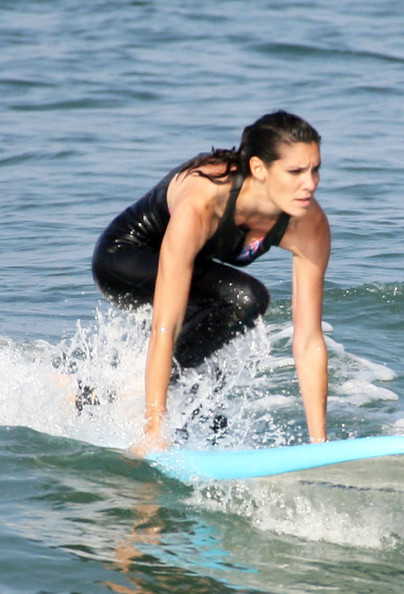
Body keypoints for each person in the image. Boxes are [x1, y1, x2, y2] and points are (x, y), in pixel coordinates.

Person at [92, 110, 330, 451]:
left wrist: (319, 445)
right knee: (247, 298)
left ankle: (97, 390)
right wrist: (153, 435)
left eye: (315, 169)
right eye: (295, 171)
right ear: (259, 169)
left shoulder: (308, 224)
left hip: (192, 267)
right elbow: (167, 324)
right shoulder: (203, 202)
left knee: (209, 412)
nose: (310, 183)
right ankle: (127, 397)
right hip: (126, 256)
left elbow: (308, 341)